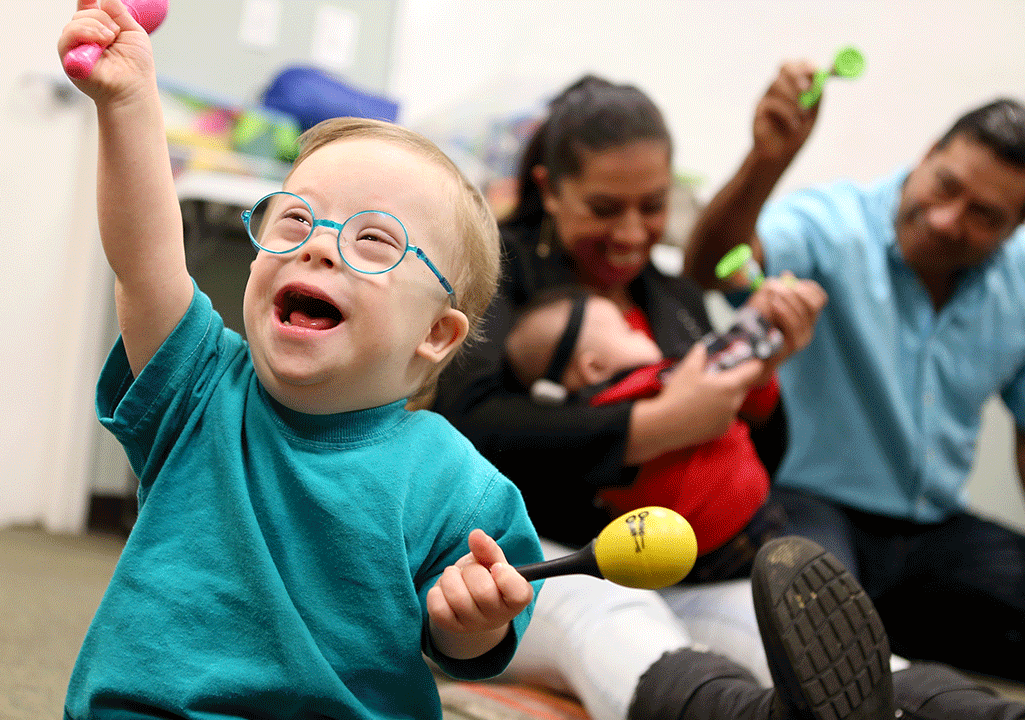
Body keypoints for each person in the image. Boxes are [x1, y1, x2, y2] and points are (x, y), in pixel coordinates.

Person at [434, 72, 1025, 720]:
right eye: (605, 209)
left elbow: (761, 459)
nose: (632, 233)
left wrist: (760, 383)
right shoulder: (494, 273)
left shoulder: (673, 299)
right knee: (617, 619)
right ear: (549, 189)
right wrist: (656, 423)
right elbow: (469, 421)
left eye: (653, 207)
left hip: (682, 563)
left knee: (816, 630)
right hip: (543, 555)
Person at [56, 2, 543, 717]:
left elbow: (469, 644)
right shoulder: (198, 388)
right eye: (295, 219)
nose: (316, 245)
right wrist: (129, 100)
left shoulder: (461, 489)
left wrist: (471, 621)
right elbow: (145, 262)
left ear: (436, 334)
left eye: (374, 240)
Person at [682, 60, 1025, 682]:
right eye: (945, 185)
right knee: (810, 610)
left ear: (1016, 228)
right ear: (926, 153)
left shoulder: (1019, 282)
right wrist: (766, 161)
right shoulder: (830, 228)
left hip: (936, 532)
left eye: (985, 216)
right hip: (808, 505)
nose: (949, 218)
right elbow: (708, 268)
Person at [503, 287, 787, 583]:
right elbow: (725, 355)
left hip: (688, 554)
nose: (641, 333)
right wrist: (756, 321)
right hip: (740, 528)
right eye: (627, 331)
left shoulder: (588, 437)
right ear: (594, 366)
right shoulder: (647, 386)